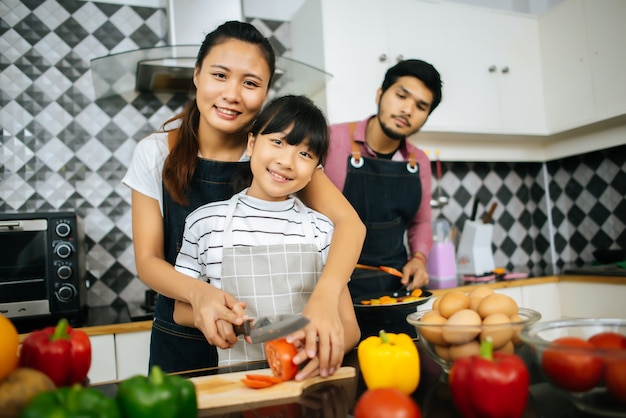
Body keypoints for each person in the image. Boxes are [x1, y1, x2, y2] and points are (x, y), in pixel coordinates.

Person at [122, 21, 365, 377]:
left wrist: (326, 296)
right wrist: (198, 293)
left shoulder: (276, 156)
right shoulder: (157, 152)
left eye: (250, 83)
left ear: (265, 92)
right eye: (220, 75)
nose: (233, 94)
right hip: (182, 339)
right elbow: (148, 261)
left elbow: (350, 226)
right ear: (197, 75)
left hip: (269, 346)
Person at [172, 95, 360, 374]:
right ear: (251, 143)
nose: (287, 161)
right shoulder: (205, 222)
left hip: (307, 379)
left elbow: (350, 327)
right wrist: (217, 321)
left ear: (315, 170)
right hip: (239, 385)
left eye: (305, 154)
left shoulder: (321, 230)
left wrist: (322, 352)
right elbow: (180, 311)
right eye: (278, 142)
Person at [324, 59, 443, 338]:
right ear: (380, 95)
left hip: (395, 295)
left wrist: (419, 258)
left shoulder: (419, 161)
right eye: (401, 96)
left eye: (421, 106)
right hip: (336, 292)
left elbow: (421, 222)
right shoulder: (331, 140)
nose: (407, 110)